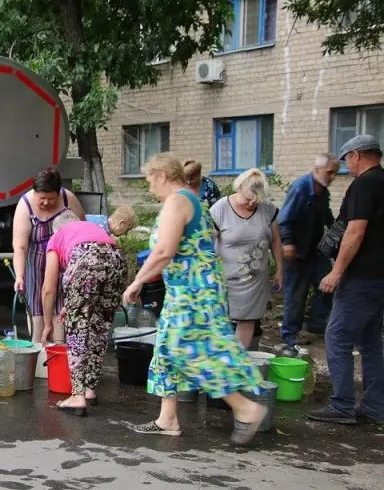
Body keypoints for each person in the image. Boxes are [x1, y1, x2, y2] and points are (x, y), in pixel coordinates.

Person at [122, 153, 265, 445]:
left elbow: (164, 251)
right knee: (165, 351)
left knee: (189, 351)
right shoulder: (189, 200)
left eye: (150, 181)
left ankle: (246, 408)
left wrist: (136, 282)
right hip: (184, 289)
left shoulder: (178, 201)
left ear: (162, 175)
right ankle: (168, 418)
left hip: (194, 292)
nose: (150, 188)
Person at [308, 135, 384, 425]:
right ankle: (376, 407)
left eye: (346, 161)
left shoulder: (364, 184)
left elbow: (355, 231)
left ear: (356, 155)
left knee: (337, 337)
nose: (345, 167)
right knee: (370, 342)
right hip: (379, 278)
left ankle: (341, 406)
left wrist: (337, 271)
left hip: (361, 277)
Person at [41, 207, 135, 416]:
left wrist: (48, 323)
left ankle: (77, 396)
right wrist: (72, 304)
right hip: (116, 262)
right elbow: (92, 281)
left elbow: (49, 288)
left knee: (77, 331)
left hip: (86, 262)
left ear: (57, 229)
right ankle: (90, 389)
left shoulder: (57, 238)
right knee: (99, 328)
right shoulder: (92, 229)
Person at [210, 169, 284, 349]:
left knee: (248, 321)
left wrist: (280, 270)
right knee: (220, 321)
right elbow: (208, 242)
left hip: (255, 282)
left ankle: (238, 364)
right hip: (224, 279)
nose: (252, 204)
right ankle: (221, 360)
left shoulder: (267, 209)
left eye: (256, 200)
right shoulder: (221, 208)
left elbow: (275, 240)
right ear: (238, 188)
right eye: (248, 199)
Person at [12, 168, 86, 343]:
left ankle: (59, 355)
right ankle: (38, 360)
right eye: (42, 198)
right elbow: (20, 247)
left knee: (61, 317)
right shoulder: (25, 204)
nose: (46, 202)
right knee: (38, 317)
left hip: (65, 267)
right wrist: (20, 276)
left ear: (58, 193)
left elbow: (83, 231)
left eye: (51, 199)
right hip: (37, 267)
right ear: (35, 193)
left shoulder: (69, 199)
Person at [277, 154, 339, 347]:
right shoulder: (301, 187)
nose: (332, 177)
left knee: (327, 286)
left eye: (335, 173)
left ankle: (316, 325)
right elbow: (284, 218)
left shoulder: (323, 191)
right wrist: (287, 243)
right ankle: (289, 334)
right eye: (330, 172)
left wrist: (338, 229)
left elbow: (327, 216)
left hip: (316, 251)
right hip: (296, 251)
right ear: (317, 169)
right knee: (296, 294)